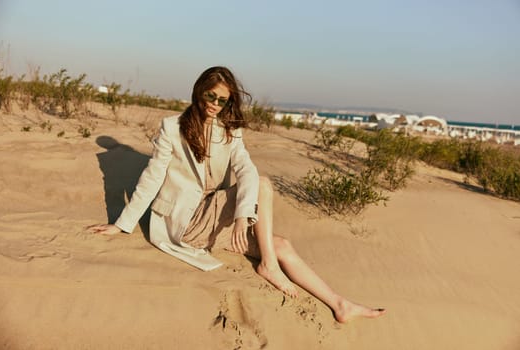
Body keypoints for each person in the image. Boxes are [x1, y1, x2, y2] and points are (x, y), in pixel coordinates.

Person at [88, 66, 385, 323]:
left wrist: (243, 216)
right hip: (184, 222)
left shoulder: (229, 130)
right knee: (264, 186)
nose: (215, 104)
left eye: (222, 99)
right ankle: (268, 267)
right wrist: (121, 224)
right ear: (198, 91)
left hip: (214, 215)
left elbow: (245, 170)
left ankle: (339, 304)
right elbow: (151, 178)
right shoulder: (172, 128)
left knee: (280, 244)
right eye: (210, 96)